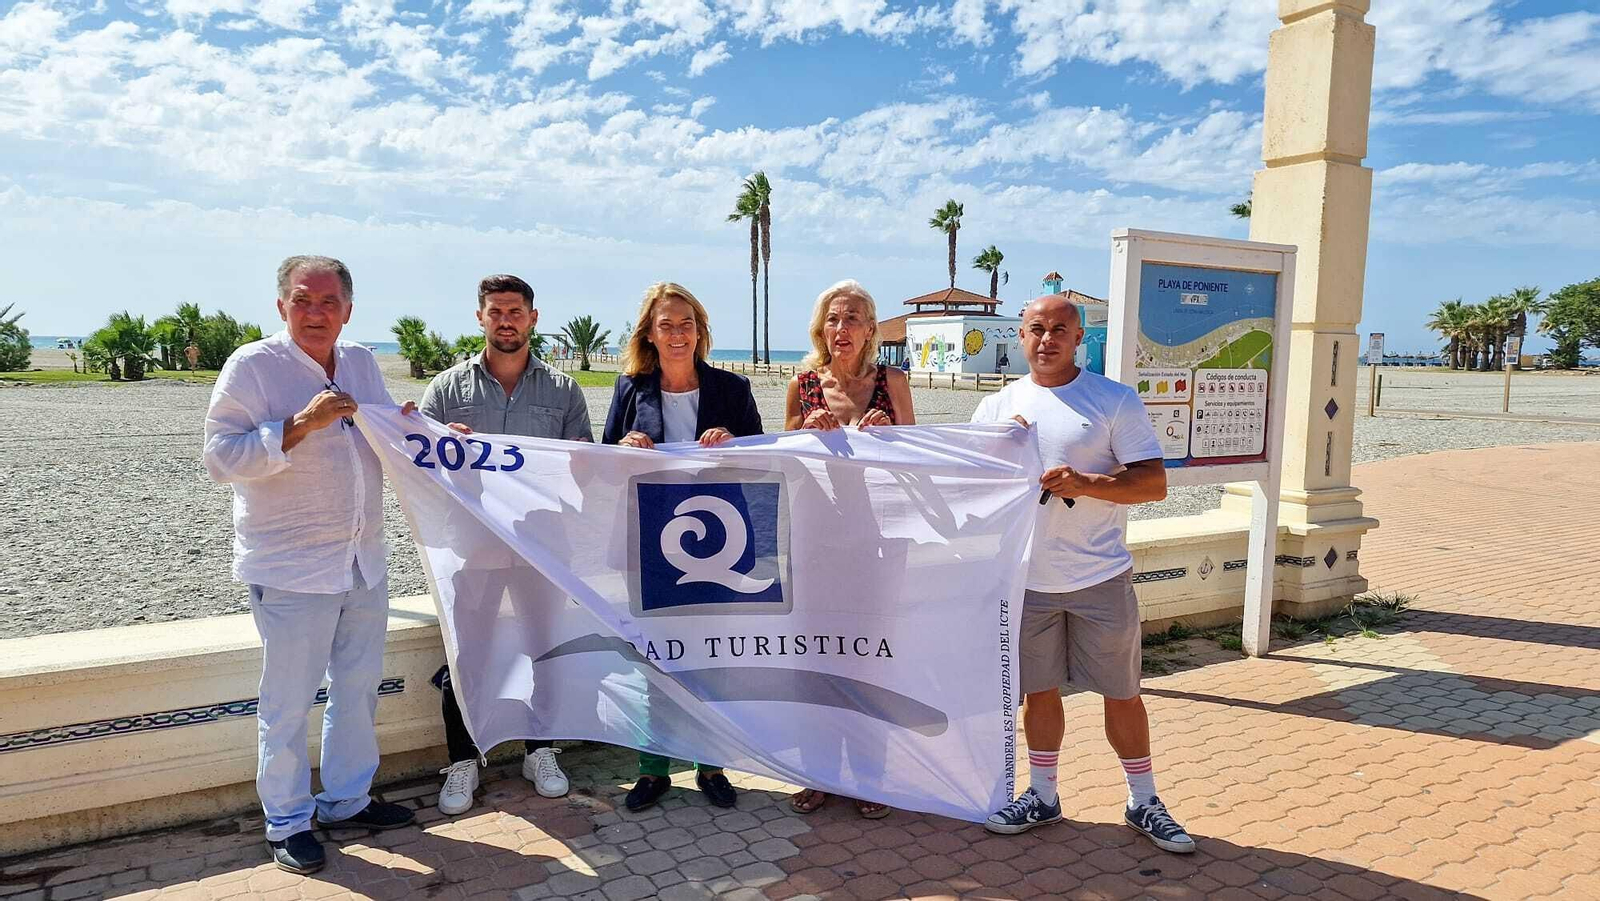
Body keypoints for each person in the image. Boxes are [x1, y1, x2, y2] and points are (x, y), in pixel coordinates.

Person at [203, 256, 418, 875]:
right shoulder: (252, 366)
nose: (316, 313)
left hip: (362, 561)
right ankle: (289, 821)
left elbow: (383, 433)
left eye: (329, 303)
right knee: (288, 701)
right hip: (290, 567)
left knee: (356, 691)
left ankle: (347, 800)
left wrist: (429, 432)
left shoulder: (361, 362)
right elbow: (220, 458)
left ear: (348, 310)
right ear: (281, 307)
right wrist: (300, 424)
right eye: (303, 301)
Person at [970, 295, 1195, 853]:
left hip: (1100, 578)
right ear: (1020, 337)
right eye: (1036, 329)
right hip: (1027, 581)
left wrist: (1086, 483)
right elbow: (968, 484)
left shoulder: (1113, 400)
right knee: (1039, 695)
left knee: (1122, 694)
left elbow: (1152, 484)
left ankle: (1143, 799)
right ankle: (1043, 793)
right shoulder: (997, 408)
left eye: (1059, 330)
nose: (1047, 340)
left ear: (1079, 338)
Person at [419, 274, 592, 815]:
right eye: (496, 312)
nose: (506, 320)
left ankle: (541, 749)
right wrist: (442, 445)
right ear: (480, 318)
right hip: (471, 547)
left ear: (533, 318)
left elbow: (583, 464)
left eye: (516, 311)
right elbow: (417, 465)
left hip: (542, 548)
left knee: (546, 646)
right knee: (467, 650)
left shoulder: (563, 391)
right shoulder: (447, 389)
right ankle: (464, 759)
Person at [602, 281, 761, 812]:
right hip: (652, 542)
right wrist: (625, 448)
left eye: (686, 323)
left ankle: (710, 764)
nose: (677, 333)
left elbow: (765, 459)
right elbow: (604, 460)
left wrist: (733, 444)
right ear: (649, 331)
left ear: (700, 331)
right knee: (656, 657)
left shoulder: (733, 390)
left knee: (711, 658)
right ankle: (653, 769)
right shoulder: (629, 388)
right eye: (666, 324)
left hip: (720, 540)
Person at [782, 279, 914, 820]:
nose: (843, 328)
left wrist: (894, 434)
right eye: (834, 319)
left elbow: (923, 457)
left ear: (870, 329)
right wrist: (804, 432)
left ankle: (870, 777)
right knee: (816, 660)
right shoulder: (803, 384)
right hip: (815, 545)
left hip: (878, 547)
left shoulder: (893, 381)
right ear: (821, 328)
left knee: (870, 663)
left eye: (854, 318)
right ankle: (818, 774)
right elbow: (780, 460)